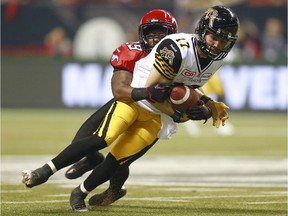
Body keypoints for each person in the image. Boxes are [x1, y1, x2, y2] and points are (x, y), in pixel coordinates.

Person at [23, 5, 239, 212]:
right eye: (214, 37)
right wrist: (180, 114)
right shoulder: (175, 48)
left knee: (118, 159)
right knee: (101, 138)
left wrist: (206, 105)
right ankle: (44, 172)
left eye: (223, 40)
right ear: (202, 32)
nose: (217, 45)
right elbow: (157, 91)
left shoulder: (215, 59)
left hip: (157, 115)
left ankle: (82, 193)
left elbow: (187, 87)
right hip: (137, 100)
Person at [22, 9, 179, 206]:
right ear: (142, 33)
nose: (155, 39)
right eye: (151, 33)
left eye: (161, 34)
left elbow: (188, 92)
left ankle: (112, 191)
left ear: (172, 37)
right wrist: (148, 93)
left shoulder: (181, 59)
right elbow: (120, 90)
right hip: (129, 102)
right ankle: (91, 158)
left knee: (120, 158)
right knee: (84, 140)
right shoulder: (131, 51)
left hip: (156, 114)